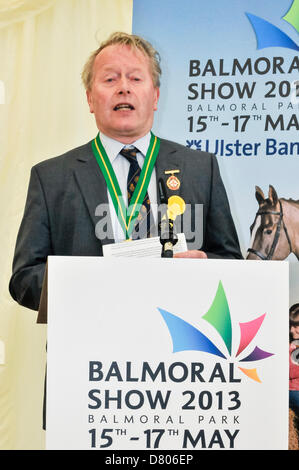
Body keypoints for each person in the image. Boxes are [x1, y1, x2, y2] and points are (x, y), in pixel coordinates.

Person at [9, 32, 242, 314]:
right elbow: (24, 280)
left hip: (181, 345)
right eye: (110, 79)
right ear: (90, 99)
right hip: (87, 346)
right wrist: (89, 280)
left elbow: (231, 262)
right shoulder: (51, 177)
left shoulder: (201, 168)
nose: (123, 88)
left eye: (135, 78)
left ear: (155, 96)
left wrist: (204, 263)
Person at [289, 303, 299, 416]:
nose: (292, 330)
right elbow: (291, 371)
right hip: (294, 390)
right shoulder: (292, 346)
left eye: (296, 326)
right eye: (291, 326)